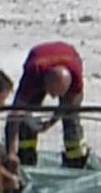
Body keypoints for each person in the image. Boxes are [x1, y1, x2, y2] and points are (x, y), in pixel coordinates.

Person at [7, 40, 89, 169]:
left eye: (58, 94)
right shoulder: (33, 74)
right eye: (51, 93)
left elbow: (67, 105)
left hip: (70, 57)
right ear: (44, 83)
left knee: (71, 117)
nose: (54, 97)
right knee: (26, 116)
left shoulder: (75, 76)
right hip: (38, 61)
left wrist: (51, 123)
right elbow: (14, 115)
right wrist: (10, 151)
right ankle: (26, 156)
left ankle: (76, 160)